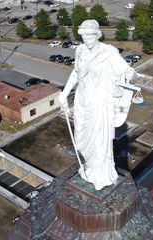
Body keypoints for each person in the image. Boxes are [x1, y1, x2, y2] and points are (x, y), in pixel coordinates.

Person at [58, 20, 138, 190]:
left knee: (99, 140)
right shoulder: (79, 50)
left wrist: (130, 75)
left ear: (97, 34)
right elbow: (76, 73)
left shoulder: (108, 52)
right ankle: (89, 166)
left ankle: (100, 174)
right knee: (81, 139)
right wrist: (64, 94)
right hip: (82, 100)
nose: (87, 38)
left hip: (100, 103)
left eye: (90, 35)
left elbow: (127, 71)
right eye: (84, 35)